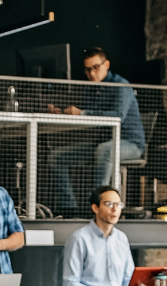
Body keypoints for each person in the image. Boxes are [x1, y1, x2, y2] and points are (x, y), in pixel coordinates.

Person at [49, 47, 146, 215]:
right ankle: (69, 208)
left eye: (96, 67)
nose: (91, 73)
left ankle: (96, 208)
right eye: (87, 69)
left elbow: (117, 116)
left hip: (131, 145)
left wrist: (82, 112)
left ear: (106, 64)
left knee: (105, 150)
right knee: (56, 157)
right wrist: (64, 112)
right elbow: (86, 113)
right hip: (103, 143)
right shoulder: (92, 89)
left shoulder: (121, 85)